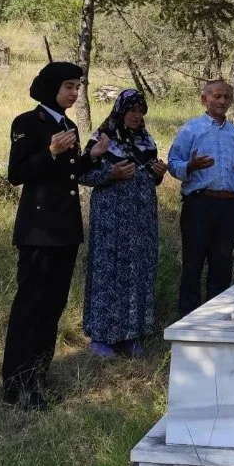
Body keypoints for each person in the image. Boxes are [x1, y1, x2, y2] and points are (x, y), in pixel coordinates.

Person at [2, 61, 110, 411]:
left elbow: (71, 174)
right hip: (37, 231)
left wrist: (91, 156)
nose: (75, 92)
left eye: (77, 87)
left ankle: (37, 377)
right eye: (69, 86)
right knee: (30, 307)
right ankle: (16, 383)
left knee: (53, 307)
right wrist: (49, 151)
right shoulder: (27, 123)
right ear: (51, 87)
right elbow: (17, 174)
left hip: (65, 231)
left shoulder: (69, 126)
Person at [80, 89, 168, 359]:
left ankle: (130, 335)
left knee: (137, 271)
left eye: (140, 110)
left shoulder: (146, 140)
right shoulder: (102, 138)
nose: (136, 115)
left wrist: (158, 174)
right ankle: (101, 337)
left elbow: (149, 179)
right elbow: (83, 174)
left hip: (141, 221)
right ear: (120, 110)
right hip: (111, 219)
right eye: (131, 110)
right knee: (109, 272)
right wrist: (111, 172)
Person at [167, 79, 234, 317]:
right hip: (199, 203)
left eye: (226, 97)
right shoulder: (191, 129)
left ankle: (215, 319)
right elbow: (173, 163)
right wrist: (191, 165)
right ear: (204, 99)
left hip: (228, 205)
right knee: (193, 263)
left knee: (221, 265)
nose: (221, 101)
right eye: (216, 96)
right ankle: (188, 319)